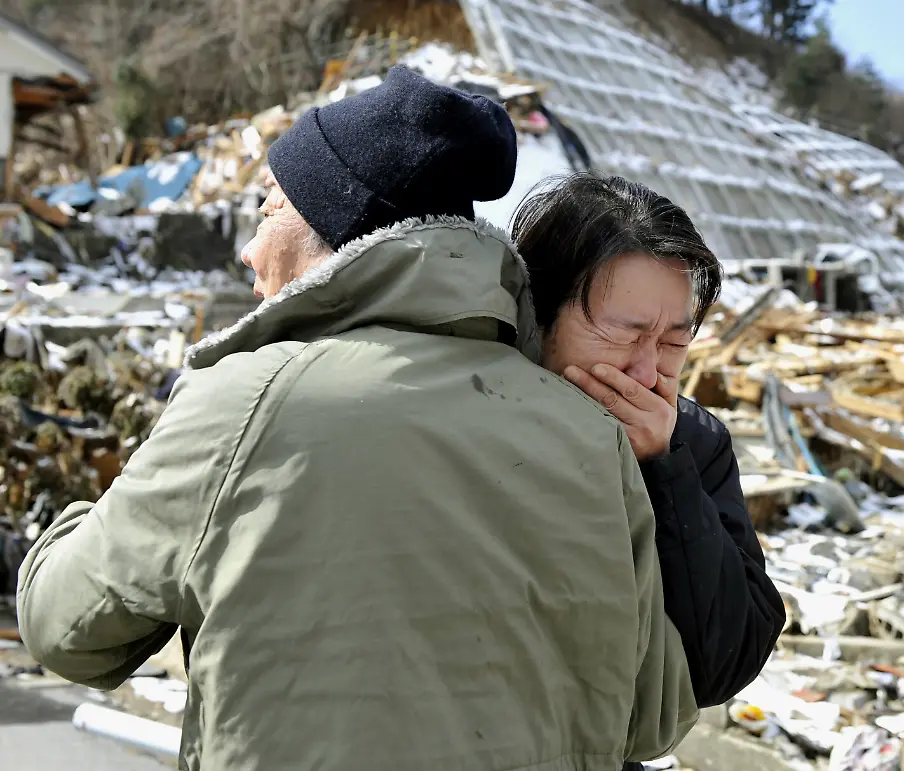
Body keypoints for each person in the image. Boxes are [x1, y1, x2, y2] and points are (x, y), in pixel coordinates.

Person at [17, 68, 697, 770]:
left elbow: (62, 627)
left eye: (269, 206)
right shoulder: (586, 434)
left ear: (329, 227)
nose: (249, 248)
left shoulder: (243, 402)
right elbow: (653, 715)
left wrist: (88, 518)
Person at [512, 173, 786, 758]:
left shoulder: (691, 441)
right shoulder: (470, 419)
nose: (645, 372)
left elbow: (727, 661)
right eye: (622, 333)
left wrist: (665, 470)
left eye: (671, 343)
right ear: (538, 314)